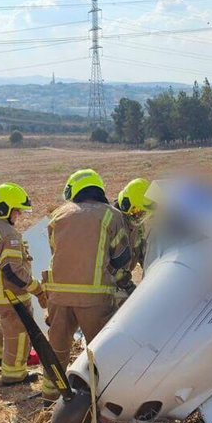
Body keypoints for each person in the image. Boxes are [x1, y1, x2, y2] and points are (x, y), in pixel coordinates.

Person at [40, 169, 130, 403]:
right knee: (98, 352)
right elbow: (122, 257)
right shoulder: (112, 215)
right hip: (95, 300)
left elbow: (55, 253)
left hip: (58, 298)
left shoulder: (57, 216)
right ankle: (102, 399)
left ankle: (50, 398)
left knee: (57, 351)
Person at [0, 183, 46, 385]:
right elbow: (14, 271)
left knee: (7, 325)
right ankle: (14, 375)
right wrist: (37, 289)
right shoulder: (7, 234)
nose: (19, 215)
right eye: (16, 210)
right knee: (21, 332)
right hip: (11, 297)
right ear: (4, 209)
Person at [113, 177, 155, 295]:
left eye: (143, 214)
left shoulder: (137, 226)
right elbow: (111, 266)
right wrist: (128, 286)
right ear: (126, 203)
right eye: (137, 211)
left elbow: (143, 254)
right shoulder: (112, 224)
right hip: (108, 284)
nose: (139, 217)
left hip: (122, 281)